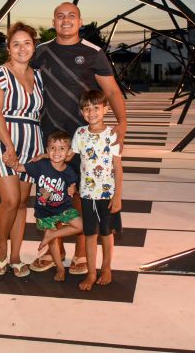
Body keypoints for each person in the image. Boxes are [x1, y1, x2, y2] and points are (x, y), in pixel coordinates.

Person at [28, 2, 127, 275]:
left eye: (71, 16)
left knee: (83, 196)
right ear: (53, 21)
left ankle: (82, 253)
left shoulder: (93, 53)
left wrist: (123, 122)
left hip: (86, 141)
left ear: (80, 22)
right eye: (60, 16)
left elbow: (113, 92)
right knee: (50, 196)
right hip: (52, 139)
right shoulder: (41, 52)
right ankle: (53, 250)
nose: (66, 20)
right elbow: (22, 75)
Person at [0, 22, 44, 277]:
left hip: (32, 140)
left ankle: (16, 256)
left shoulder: (38, 76)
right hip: (1, 138)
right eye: (16, 43)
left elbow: (40, 112)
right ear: (9, 48)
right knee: (10, 200)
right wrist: (9, 146)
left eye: (26, 43)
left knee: (22, 203)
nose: (22, 48)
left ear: (33, 47)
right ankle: (1, 246)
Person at [12, 130, 83, 282]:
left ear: (69, 152)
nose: (57, 152)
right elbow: (20, 168)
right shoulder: (40, 166)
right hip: (45, 211)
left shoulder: (70, 171)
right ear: (47, 150)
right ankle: (60, 267)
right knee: (53, 244)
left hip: (64, 208)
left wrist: (73, 188)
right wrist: (10, 161)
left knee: (80, 226)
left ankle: (53, 234)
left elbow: (72, 185)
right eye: (53, 148)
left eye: (62, 149)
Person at [71, 89, 123, 291]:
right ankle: (92, 273)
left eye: (96, 108)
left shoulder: (112, 135)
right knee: (90, 234)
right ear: (82, 112)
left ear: (105, 109)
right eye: (86, 109)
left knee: (107, 233)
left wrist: (117, 196)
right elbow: (68, 157)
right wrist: (46, 156)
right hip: (87, 194)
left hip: (107, 195)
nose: (91, 113)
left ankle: (107, 268)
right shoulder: (80, 133)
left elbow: (118, 168)